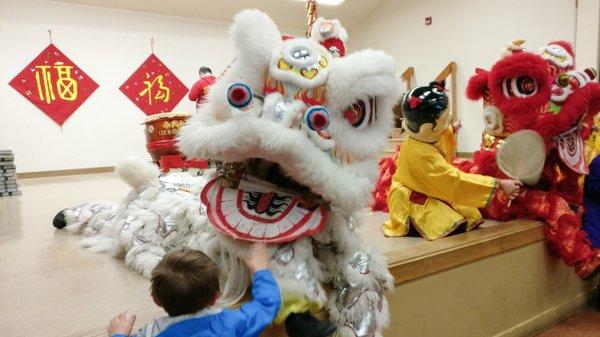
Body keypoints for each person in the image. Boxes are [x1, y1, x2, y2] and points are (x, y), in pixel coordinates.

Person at [383, 81, 522, 240]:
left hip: (430, 186)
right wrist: (498, 184)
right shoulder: (422, 154)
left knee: (471, 214)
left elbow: (439, 134)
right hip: (414, 195)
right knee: (450, 223)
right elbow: (454, 181)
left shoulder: (424, 138)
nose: (448, 122)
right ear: (429, 128)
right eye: (445, 121)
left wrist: (451, 129)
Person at [107, 243, 280, 337]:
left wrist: (119, 333)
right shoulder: (234, 322)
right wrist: (259, 269)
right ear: (215, 297)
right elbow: (267, 305)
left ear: (155, 299)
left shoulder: (152, 333)